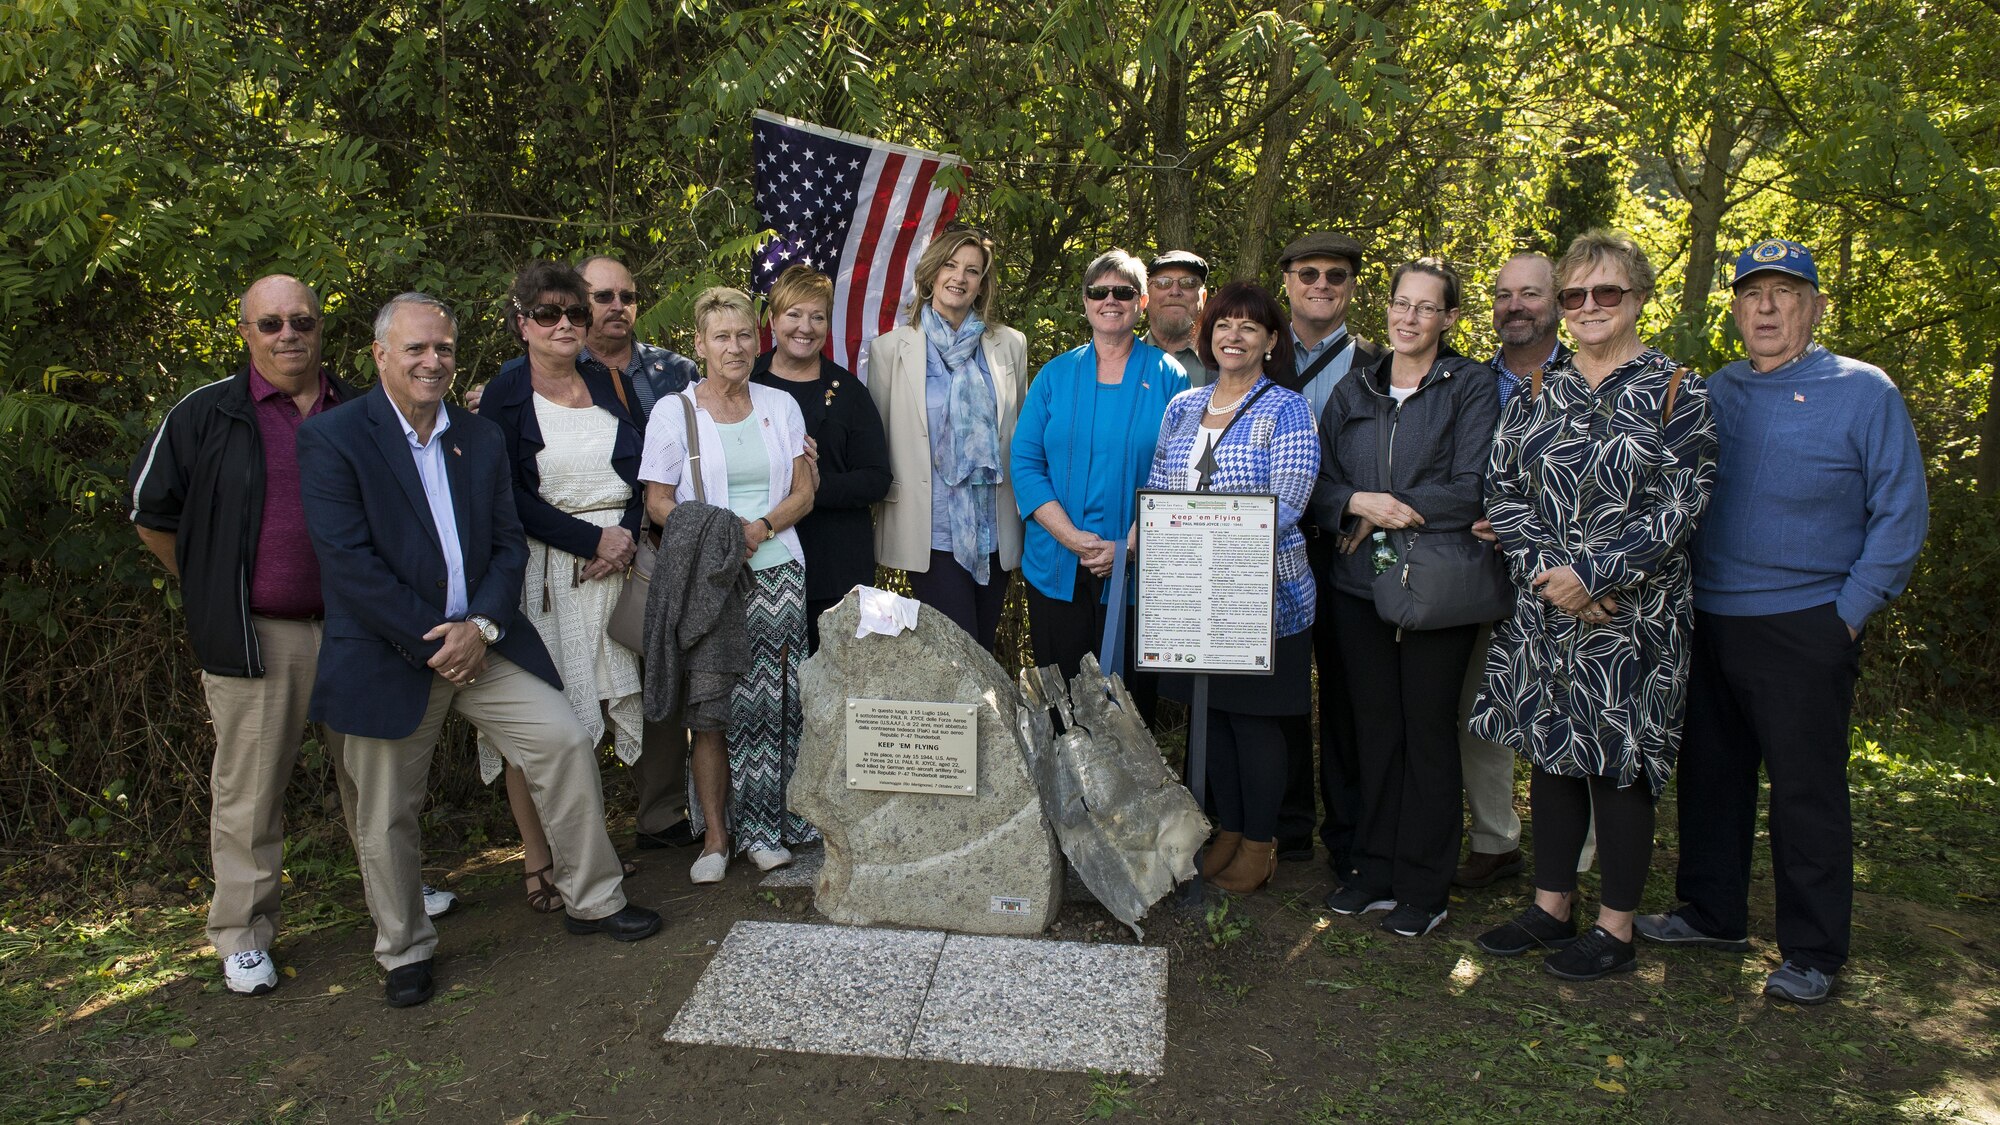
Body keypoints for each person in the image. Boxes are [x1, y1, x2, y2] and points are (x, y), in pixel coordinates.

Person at [299, 293, 660, 1009]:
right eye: (416, 349)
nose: (433, 360)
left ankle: (594, 897)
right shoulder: (334, 439)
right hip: (388, 652)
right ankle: (403, 948)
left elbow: (504, 545)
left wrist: (482, 627)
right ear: (380, 355)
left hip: (485, 643)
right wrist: (438, 637)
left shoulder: (479, 436)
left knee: (560, 738)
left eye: (443, 348)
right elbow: (348, 564)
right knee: (386, 810)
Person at [127, 275, 440, 998]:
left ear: (321, 326)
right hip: (260, 634)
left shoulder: (366, 407)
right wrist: (213, 586)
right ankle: (241, 932)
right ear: (245, 331)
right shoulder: (208, 414)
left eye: (301, 320)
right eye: (270, 324)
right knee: (251, 791)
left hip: (360, 629)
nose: (288, 334)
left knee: (374, 778)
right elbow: (152, 515)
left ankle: (396, 899)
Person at [1638, 239, 1928, 1005]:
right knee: (1712, 774)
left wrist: (1852, 612)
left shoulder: (1864, 392)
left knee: (1806, 791)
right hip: (1709, 613)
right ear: (1735, 309)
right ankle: (1711, 910)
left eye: (1784, 293)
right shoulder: (1716, 389)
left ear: (1816, 305)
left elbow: (1900, 512)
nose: (1766, 308)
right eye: (1752, 294)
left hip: (1808, 621)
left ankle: (1812, 948)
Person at [1469, 231, 1716, 980]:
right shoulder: (1543, 389)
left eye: (1605, 292)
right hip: (1549, 612)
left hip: (1632, 620)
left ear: (1637, 297)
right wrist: (1552, 573)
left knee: (1618, 767)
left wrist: (1597, 577)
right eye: (1574, 295)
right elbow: (1503, 492)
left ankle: (1616, 925)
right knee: (1549, 757)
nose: (1587, 307)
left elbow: (1682, 505)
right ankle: (1551, 906)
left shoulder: (1676, 389)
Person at [1313, 259, 1500, 938]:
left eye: (1427, 307)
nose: (1410, 317)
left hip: (1437, 583)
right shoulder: (1356, 386)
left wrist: (1390, 508)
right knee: (1373, 726)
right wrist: (1354, 502)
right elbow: (1319, 480)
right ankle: (1373, 868)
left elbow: (1473, 483)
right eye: (1401, 304)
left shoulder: (1470, 385)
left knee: (1426, 727)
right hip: (1357, 582)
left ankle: (1425, 882)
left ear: (1449, 318)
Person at [477, 261, 645, 912]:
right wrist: (589, 541)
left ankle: (586, 847)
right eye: (548, 314)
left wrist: (625, 534)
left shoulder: (605, 380)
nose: (565, 325)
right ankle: (539, 856)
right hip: (544, 574)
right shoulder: (507, 392)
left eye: (574, 313)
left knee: (594, 707)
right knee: (538, 722)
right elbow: (505, 494)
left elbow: (639, 468)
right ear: (522, 322)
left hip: (611, 570)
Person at [640, 286, 819, 884]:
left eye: (745, 334)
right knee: (714, 711)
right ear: (700, 344)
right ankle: (717, 836)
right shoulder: (674, 412)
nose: (736, 346)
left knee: (776, 707)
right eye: (722, 336)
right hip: (711, 583)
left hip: (778, 571)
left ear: (757, 339)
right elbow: (659, 503)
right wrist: (719, 533)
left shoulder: (780, 406)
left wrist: (761, 528)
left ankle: (769, 829)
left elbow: (803, 492)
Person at [1145, 282, 1319, 895]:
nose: (1233, 335)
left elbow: (1289, 501)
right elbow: (1161, 482)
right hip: (1189, 598)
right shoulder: (1183, 407)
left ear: (1271, 340)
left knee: (1254, 722)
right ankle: (1228, 829)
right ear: (1207, 334)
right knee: (1210, 716)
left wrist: (1208, 539)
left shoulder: (1286, 409)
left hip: (1259, 597)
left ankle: (1261, 841)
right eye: (1223, 324)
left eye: (1249, 326)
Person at [1012, 250, 1187, 712]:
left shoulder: (1170, 376)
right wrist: (1072, 538)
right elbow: (1026, 464)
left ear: (1142, 302)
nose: (1110, 299)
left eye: (1123, 292)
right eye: (1099, 291)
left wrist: (1128, 546)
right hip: (1057, 566)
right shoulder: (1055, 375)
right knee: (1064, 704)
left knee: (1129, 710)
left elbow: (1178, 472)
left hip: (1138, 567)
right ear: (1085, 302)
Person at [1455, 251, 1582, 890]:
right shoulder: (1469, 380)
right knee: (1481, 707)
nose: (1516, 306)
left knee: (1571, 704)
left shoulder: (1589, 375)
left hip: (1568, 574)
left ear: (1557, 301)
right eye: (1504, 295)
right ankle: (1495, 837)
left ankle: (1578, 857)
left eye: (1530, 294)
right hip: (1482, 570)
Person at [575, 254, 702, 852]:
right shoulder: (553, 370)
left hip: (661, 551)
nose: (617, 307)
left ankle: (660, 812)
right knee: (581, 686)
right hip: (578, 551)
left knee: (660, 680)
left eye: (626, 296)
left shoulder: (675, 371)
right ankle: (580, 832)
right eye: (602, 296)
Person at [1275, 231, 1385, 871]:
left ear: (1352, 287)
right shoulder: (1257, 352)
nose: (1321, 285)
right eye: (1309, 273)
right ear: (1287, 279)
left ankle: (1349, 834)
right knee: (1283, 687)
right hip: (1273, 547)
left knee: (1348, 692)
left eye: (1336, 276)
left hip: (1348, 546)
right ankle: (1286, 829)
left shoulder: (1379, 362)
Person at [866, 226, 1029, 651]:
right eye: (951, 265)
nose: (960, 277)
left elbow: (1019, 432)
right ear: (932, 273)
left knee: (983, 650)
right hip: (931, 527)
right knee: (959, 651)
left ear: (981, 284)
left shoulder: (1009, 345)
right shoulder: (891, 349)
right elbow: (879, 437)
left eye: (972, 270)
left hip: (993, 526)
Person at [751, 265, 892, 652]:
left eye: (817, 317)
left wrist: (817, 485)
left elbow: (877, 478)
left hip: (834, 567)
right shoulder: (746, 382)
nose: (805, 327)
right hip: (758, 560)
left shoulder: (848, 392)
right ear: (774, 319)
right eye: (794, 314)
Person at [1143, 250, 1209, 385]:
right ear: (1145, 297)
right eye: (1162, 282)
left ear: (1203, 297)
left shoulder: (1230, 363)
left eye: (1188, 283)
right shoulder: (1121, 360)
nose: (1175, 292)